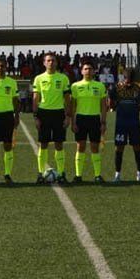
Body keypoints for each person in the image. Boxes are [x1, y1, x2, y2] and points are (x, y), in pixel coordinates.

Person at [32, 52, 70, 182]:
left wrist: (67, 116)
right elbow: (35, 98)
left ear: (57, 63)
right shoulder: (38, 78)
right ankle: (40, 174)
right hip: (43, 113)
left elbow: (67, 99)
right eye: (48, 60)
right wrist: (36, 117)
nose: (51, 62)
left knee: (59, 144)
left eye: (53, 60)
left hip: (59, 113)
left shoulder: (63, 78)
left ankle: (61, 174)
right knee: (43, 144)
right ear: (44, 63)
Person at [69, 59, 109, 182]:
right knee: (80, 146)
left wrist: (103, 122)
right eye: (85, 69)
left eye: (90, 69)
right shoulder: (75, 86)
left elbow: (103, 106)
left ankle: (97, 175)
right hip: (80, 119)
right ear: (81, 71)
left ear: (94, 71)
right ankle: (78, 175)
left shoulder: (100, 86)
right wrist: (73, 122)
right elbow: (73, 106)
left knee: (94, 147)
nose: (88, 71)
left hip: (95, 119)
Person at [110, 67, 140, 182]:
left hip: (134, 122)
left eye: (131, 80)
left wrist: (138, 106)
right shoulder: (116, 88)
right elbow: (111, 104)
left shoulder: (139, 88)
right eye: (127, 79)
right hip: (121, 123)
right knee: (119, 147)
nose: (129, 82)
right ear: (124, 77)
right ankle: (117, 175)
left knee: (137, 147)